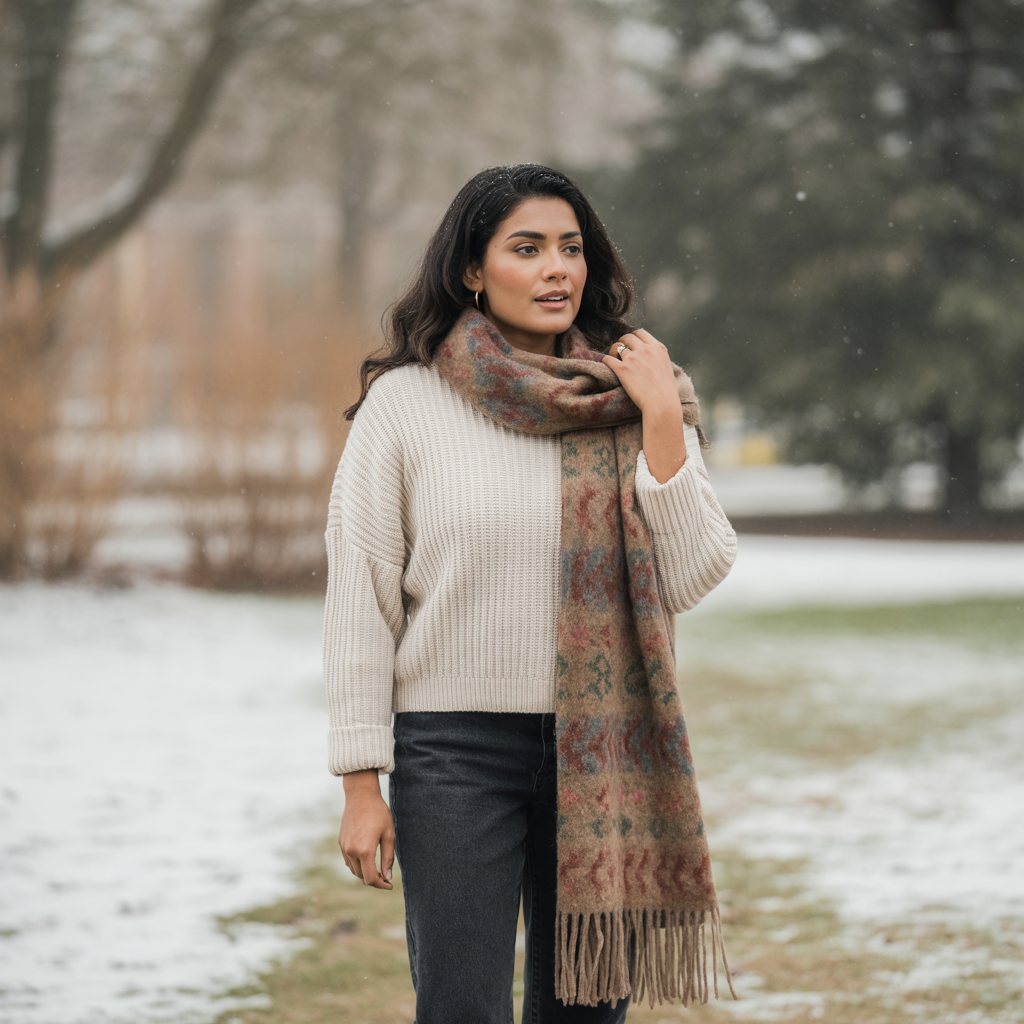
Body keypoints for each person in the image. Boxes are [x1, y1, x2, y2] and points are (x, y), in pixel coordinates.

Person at [323, 164, 738, 1024]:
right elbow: (360, 597)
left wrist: (662, 420)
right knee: (460, 1006)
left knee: (587, 1009)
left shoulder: (631, 397)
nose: (557, 269)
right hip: (454, 753)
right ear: (472, 271)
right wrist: (361, 783)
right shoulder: (406, 404)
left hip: (606, 745)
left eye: (571, 248)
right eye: (527, 248)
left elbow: (694, 571)